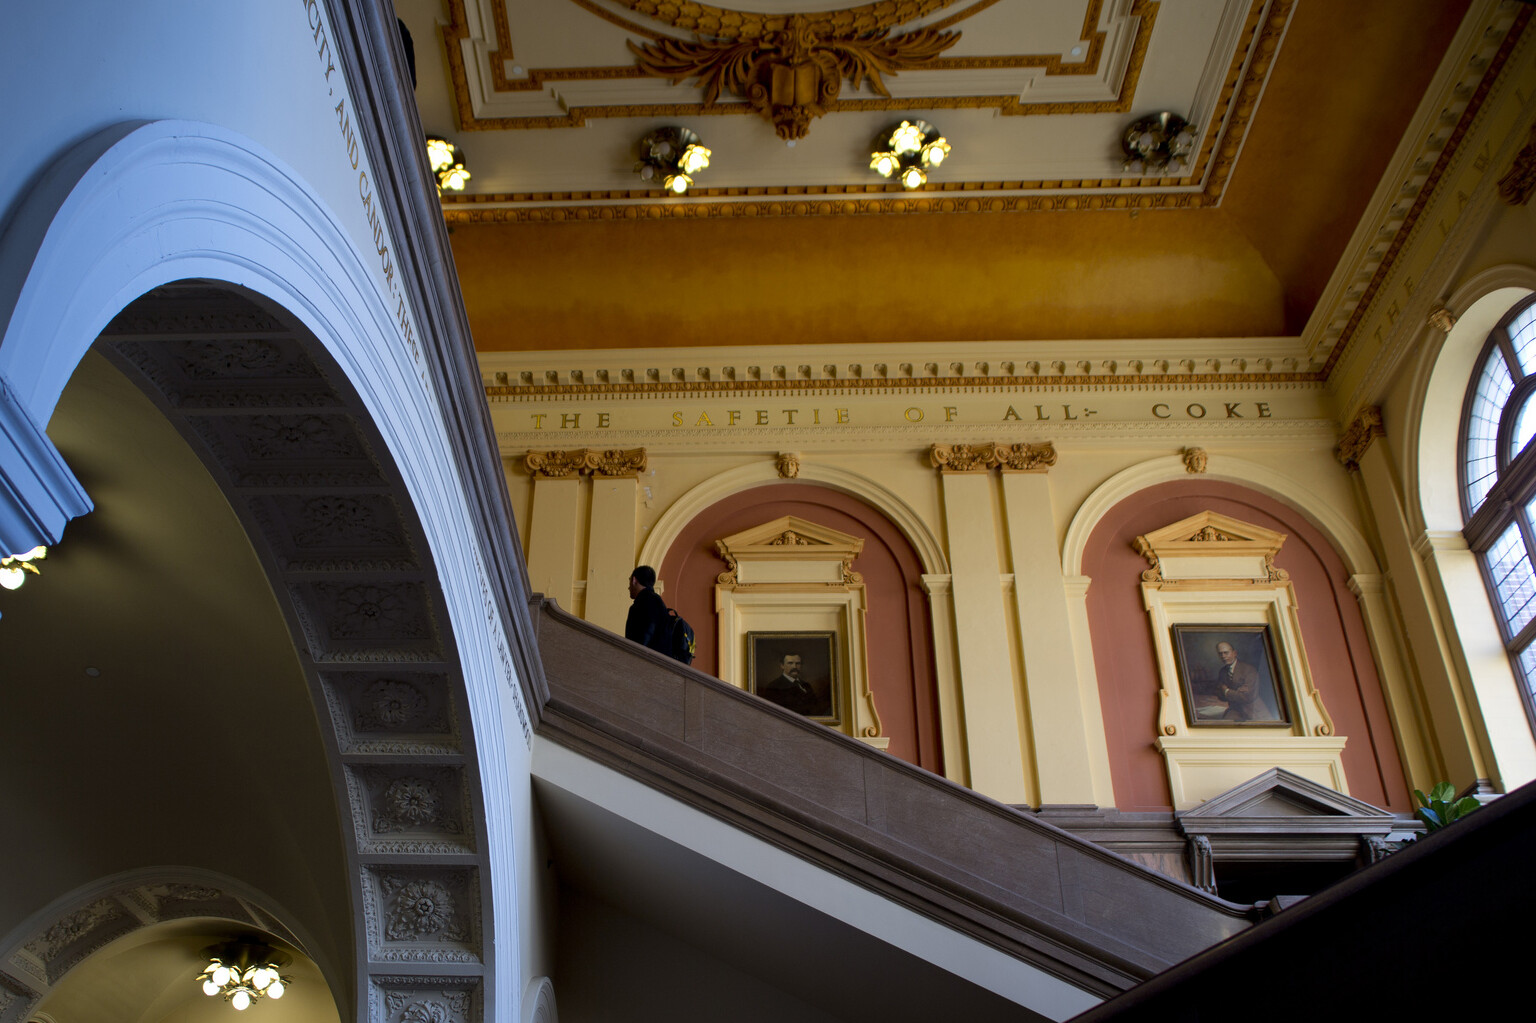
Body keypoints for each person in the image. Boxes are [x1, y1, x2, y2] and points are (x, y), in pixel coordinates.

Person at [758, 652, 831, 717]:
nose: (794, 667)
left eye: (798, 663)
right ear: (782, 666)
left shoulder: (806, 685)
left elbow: (815, 709)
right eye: (790, 663)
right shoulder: (774, 687)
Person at [624, 565, 671, 655]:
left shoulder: (645, 601)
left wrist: (635, 655)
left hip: (646, 661)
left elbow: (646, 633)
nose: (628, 587)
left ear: (634, 580)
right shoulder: (657, 601)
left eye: (629, 581)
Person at [1214, 641, 1265, 720]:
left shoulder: (1249, 670)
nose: (1223, 656)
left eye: (1226, 653)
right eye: (1220, 654)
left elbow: (1246, 697)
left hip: (1252, 710)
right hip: (1235, 709)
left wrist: (1226, 691)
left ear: (1235, 653)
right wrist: (1236, 693)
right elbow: (1219, 693)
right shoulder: (1222, 671)